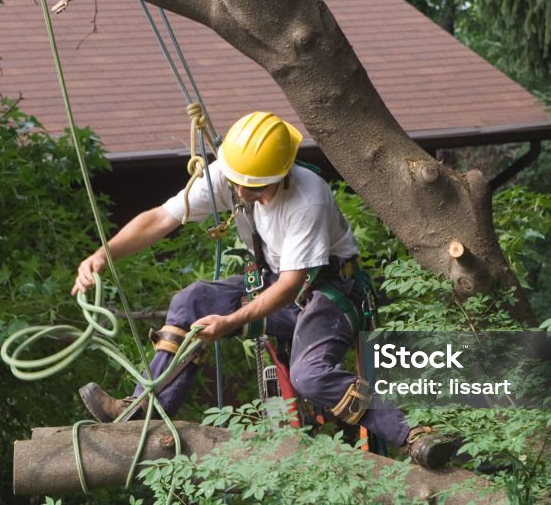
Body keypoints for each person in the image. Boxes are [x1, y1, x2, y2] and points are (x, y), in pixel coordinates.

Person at [71, 111, 454, 469]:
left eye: (253, 187)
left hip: (331, 290)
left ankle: (412, 435)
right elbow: (160, 218)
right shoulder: (234, 173)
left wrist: (230, 321)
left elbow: (291, 287)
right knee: (191, 301)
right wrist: (104, 254)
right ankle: (145, 411)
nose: (239, 191)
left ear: (279, 175)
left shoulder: (308, 198)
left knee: (309, 375)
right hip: (278, 282)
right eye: (236, 183)